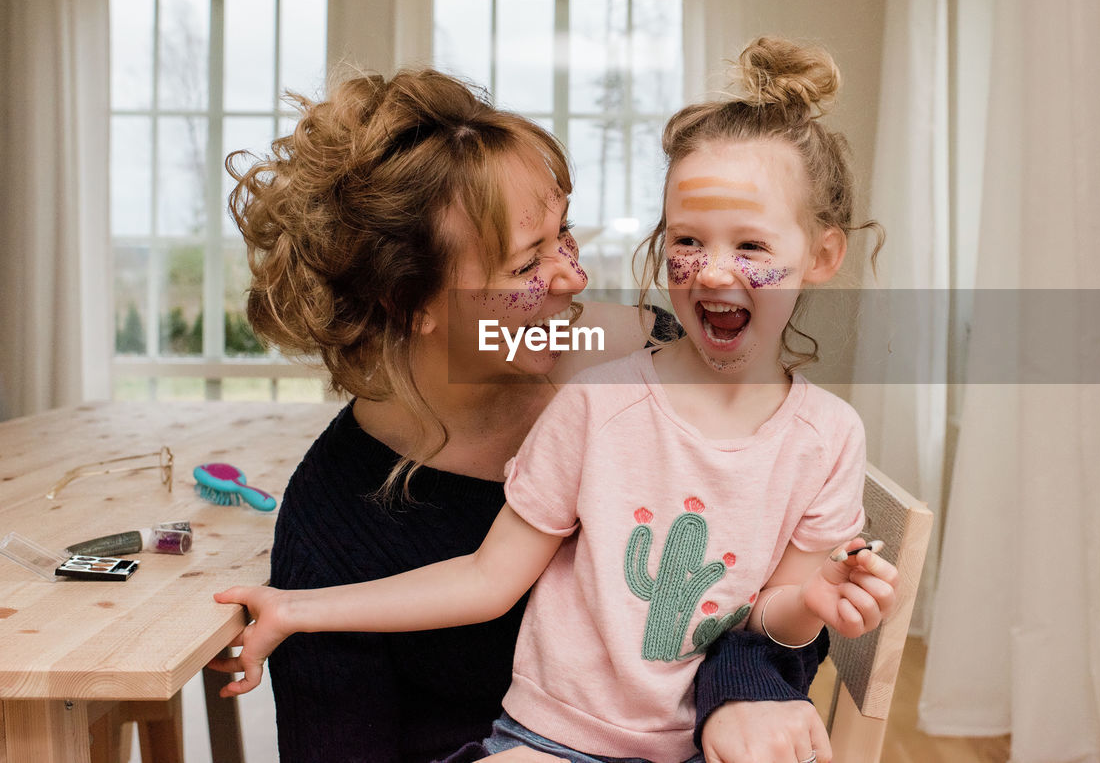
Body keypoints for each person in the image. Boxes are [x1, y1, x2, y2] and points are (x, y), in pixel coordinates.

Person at [214, 37, 898, 763]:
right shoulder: (340, 519)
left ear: (822, 255)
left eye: (562, 235)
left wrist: (753, 676)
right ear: (413, 302)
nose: (573, 280)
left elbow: (757, 605)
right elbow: (486, 581)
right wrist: (297, 609)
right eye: (526, 262)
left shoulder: (723, 383)